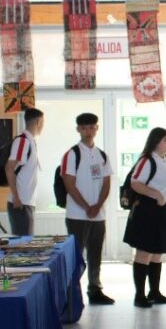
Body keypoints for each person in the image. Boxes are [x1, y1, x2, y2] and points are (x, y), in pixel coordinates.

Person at [123, 127, 166, 308]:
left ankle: (154, 291)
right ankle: (139, 295)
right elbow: (135, 183)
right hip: (148, 210)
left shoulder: (165, 160)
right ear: (155, 141)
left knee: (157, 252)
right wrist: (156, 194)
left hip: (164, 210)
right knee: (144, 252)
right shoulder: (147, 160)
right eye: (165, 140)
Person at [62, 113, 113, 304]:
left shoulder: (102, 155)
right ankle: (71, 293)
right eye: (84, 128)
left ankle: (95, 289)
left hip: (98, 215)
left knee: (95, 254)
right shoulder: (72, 154)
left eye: (92, 127)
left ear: (97, 128)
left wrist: (97, 206)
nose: (88, 131)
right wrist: (86, 207)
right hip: (77, 215)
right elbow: (69, 184)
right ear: (78, 130)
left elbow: (107, 183)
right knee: (76, 256)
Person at [5, 108, 43, 236]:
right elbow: (9, 168)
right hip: (20, 203)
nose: (43, 126)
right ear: (38, 122)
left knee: (26, 245)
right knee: (23, 247)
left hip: (27, 202)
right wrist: (16, 197)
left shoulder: (31, 141)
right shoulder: (23, 141)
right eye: (43, 122)